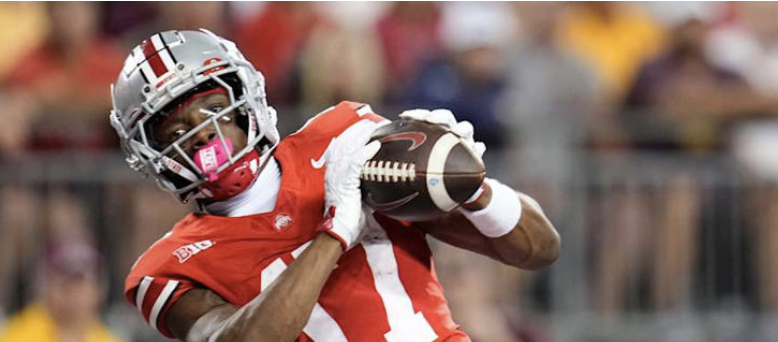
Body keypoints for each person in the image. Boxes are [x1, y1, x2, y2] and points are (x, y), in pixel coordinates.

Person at [110, 30, 560, 342]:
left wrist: (472, 186)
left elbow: (539, 249)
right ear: (153, 155)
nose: (203, 134)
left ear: (246, 100)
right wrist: (334, 234)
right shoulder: (164, 270)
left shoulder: (342, 137)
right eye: (176, 130)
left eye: (213, 109)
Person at [0, 239, 126, 342]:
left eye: (80, 282)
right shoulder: (18, 334)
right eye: (65, 282)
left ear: (99, 290)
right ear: (45, 286)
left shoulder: (109, 339)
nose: (73, 292)